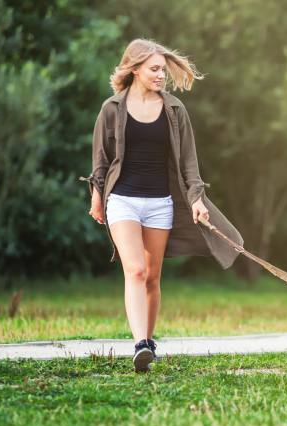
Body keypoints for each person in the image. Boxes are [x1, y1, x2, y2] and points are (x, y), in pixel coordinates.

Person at [84, 38, 244, 373]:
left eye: (163, 70)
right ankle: (140, 343)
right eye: (155, 69)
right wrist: (97, 194)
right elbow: (100, 160)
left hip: (160, 203)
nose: (161, 75)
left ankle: (149, 343)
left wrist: (197, 199)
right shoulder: (111, 108)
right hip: (123, 200)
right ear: (135, 69)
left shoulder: (174, 110)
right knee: (136, 270)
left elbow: (189, 163)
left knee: (153, 277)